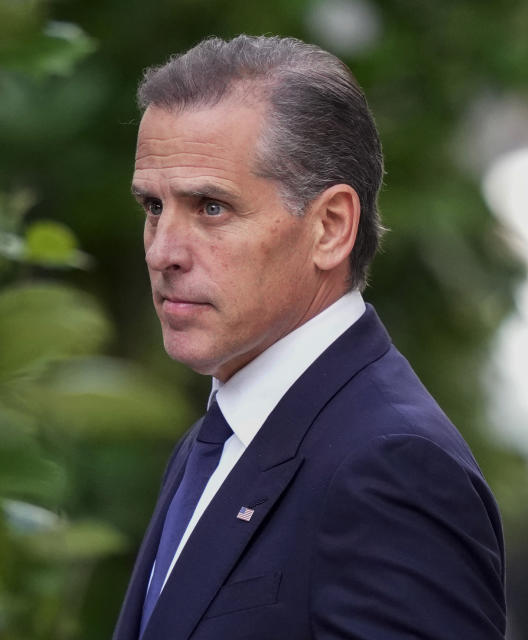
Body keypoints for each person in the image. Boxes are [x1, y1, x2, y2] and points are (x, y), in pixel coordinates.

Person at [113, 35, 506, 639]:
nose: (164, 251)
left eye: (211, 207)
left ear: (330, 227)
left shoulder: (392, 466)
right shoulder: (222, 437)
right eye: (153, 207)